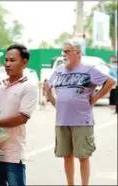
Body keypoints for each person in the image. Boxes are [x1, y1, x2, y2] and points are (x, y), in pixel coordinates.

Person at [45, 40, 116, 185]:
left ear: (77, 53)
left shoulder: (89, 69)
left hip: (82, 120)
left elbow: (110, 82)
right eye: (62, 51)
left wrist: (95, 98)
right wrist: (53, 99)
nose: (64, 54)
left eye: (67, 51)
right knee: (67, 156)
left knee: (83, 157)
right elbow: (48, 86)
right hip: (62, 120)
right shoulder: (59, 70)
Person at [0, 44, 38, 186]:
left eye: (12, 60)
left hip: (13, 156)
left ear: (24, 62)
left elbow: (22, 118)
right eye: (6, 60)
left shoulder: (29, 86)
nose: (7, 64)